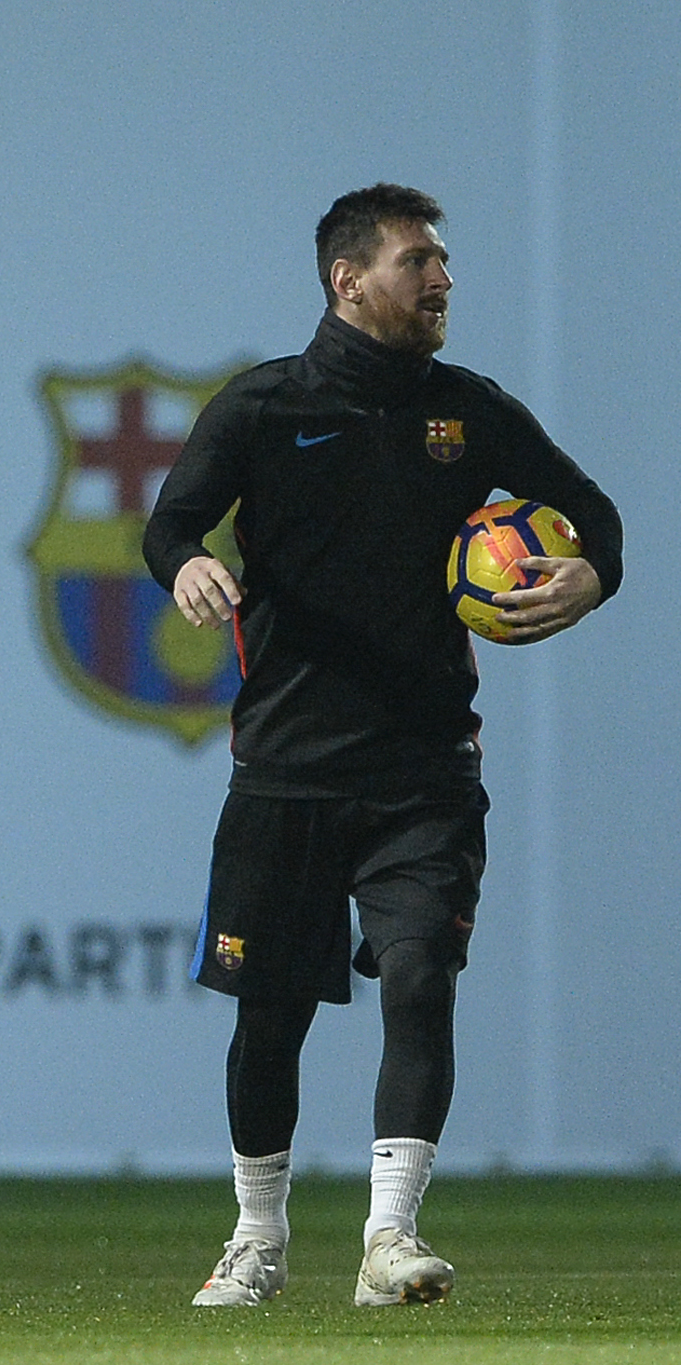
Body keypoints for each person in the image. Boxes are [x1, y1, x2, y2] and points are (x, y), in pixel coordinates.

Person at [142, 184, 624, 1308]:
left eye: (443, 263)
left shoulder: (469, 411)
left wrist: (594, 574)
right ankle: (254, 1237)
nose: (443, 281)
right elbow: (170, 520)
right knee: (269, 1020)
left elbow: (587, 507)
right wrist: (184, 565)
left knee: (419, 980)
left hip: (424, 770)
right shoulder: (261, 407)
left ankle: (388, 1241)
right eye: (420, 262)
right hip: (285, 770)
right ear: (346, 279)